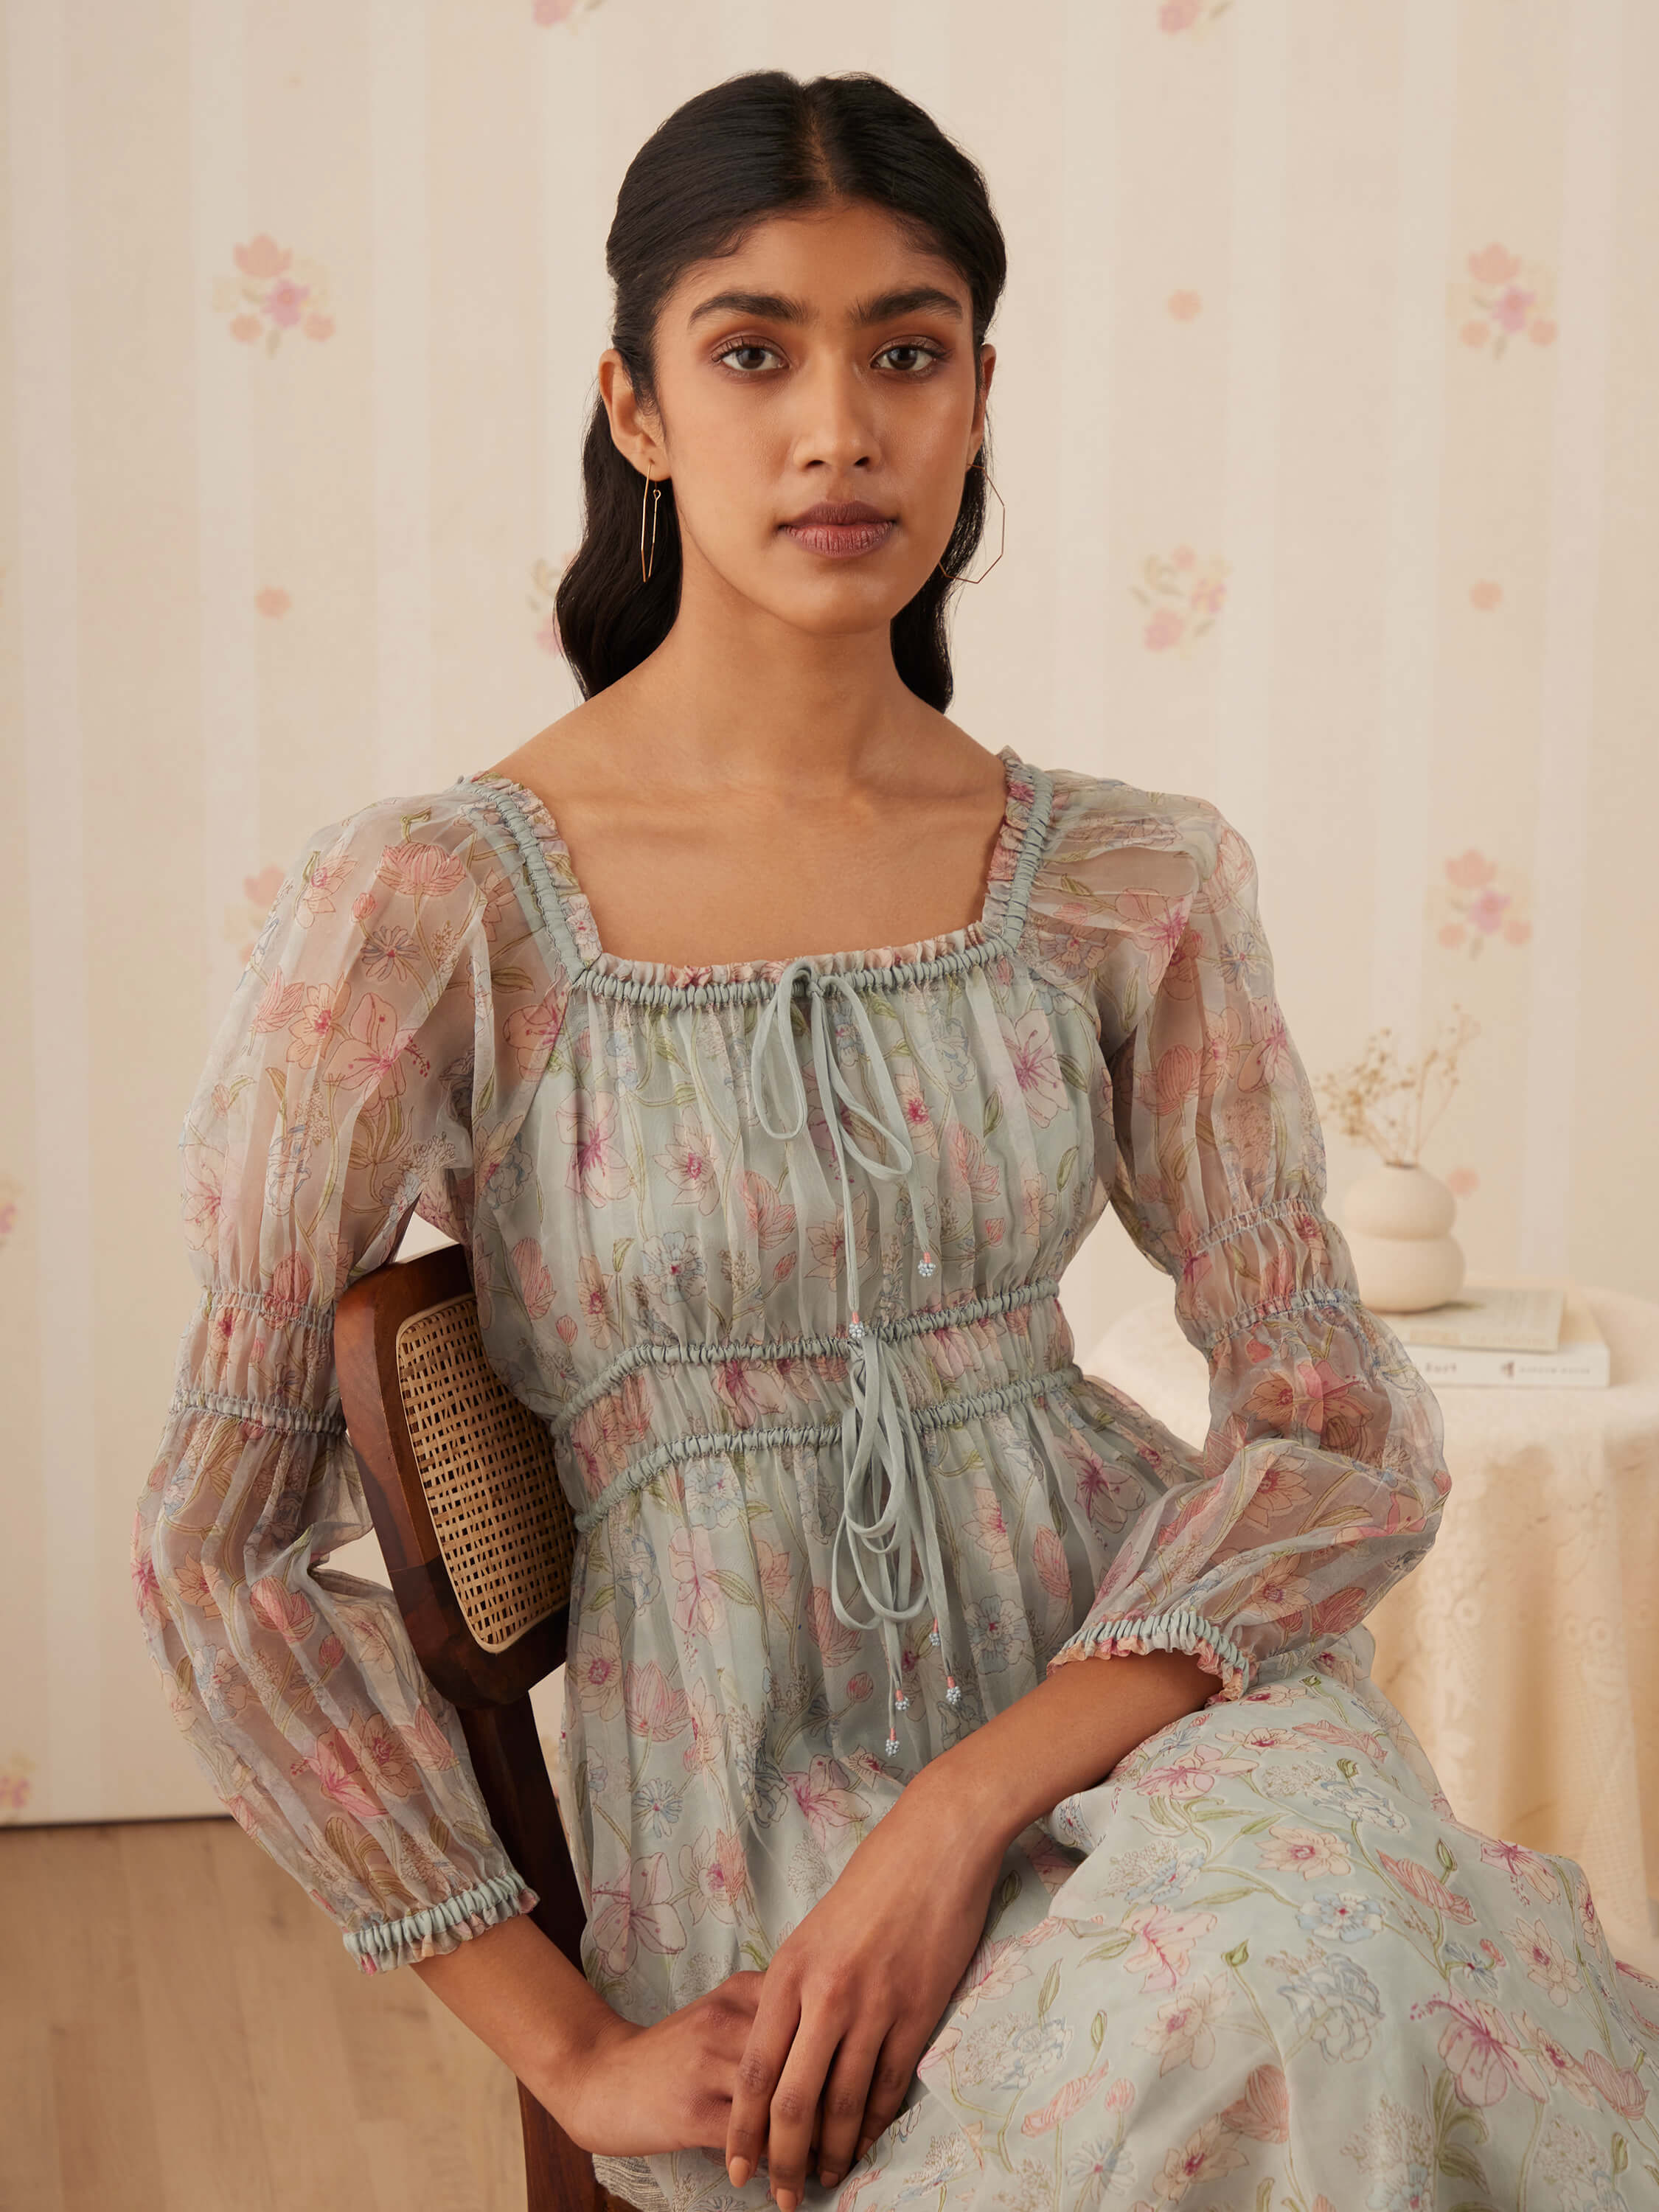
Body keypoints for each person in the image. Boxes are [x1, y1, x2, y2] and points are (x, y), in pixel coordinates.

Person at [133, 66, 1658, 2212]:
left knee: (1324, 1982)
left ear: (974, 397)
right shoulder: (429, 908)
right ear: (639, 410)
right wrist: (564, 2051)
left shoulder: (1130, 878)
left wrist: (966, 1810)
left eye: (904, 351)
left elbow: (1328, 1417)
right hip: (745, 1809)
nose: (835, 425)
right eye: (751, 351)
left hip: (1142, 1726)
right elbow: (219, 1540)